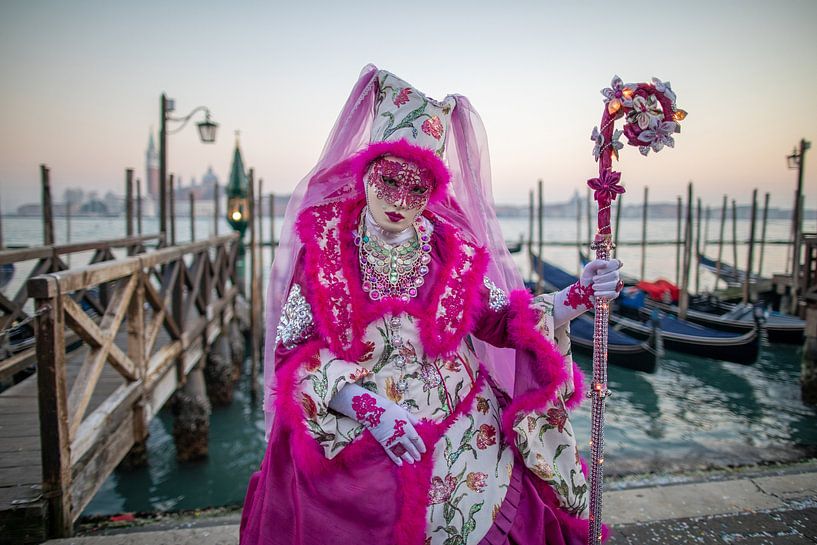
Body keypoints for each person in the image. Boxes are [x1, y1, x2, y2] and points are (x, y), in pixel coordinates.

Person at [239, 64, 621, 545]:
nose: (400, 199)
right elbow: (292, 353)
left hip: (465, 422)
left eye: (416, 188)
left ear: (433, 191)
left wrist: (576, 296)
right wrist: (365, 406)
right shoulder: (326, 249)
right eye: (389, 181)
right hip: (354, 423)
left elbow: (500, 318)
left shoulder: (449, 249)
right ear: (367, 174)